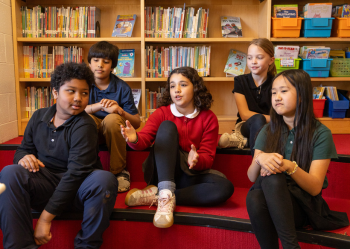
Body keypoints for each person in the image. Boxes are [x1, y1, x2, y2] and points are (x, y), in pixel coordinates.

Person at [0, 63, 118, 249]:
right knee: (10, 172)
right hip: (45, 185)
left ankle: (86, 246)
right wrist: (23, 157)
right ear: (55, 92)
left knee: (104, 179)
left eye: (84, 93)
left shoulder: (85, 125)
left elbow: (76, 174)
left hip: (78, 191)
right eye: (71, 91)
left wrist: (45, 219)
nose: (78, 98)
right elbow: (23, 149)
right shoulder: (38, 116)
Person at [246, 69, 349, 249]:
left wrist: (288, 166)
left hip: (302, 206)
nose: (277, 97)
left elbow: (315, 187)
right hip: (269, 201)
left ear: (301, 96)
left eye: (283, 91)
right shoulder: (267, 130)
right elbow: (252, 177)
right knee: (255, 196)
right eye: (273, 92)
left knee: (273, 176)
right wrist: (259, 159)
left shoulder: (320, 133)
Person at [121, 67, 234, 228]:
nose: (177, 90)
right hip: (162, 172)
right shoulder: (162, 113)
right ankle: (165, 192)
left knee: (225, 187)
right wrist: (134, 138)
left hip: (188, 174)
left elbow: (208, 158)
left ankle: (159, 196)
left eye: (183, 84)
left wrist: (197, 159)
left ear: (195, 88)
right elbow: (144, 140)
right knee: (167, 127)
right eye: (172, 86)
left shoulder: (209, 118)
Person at [86, 41, 141, 192]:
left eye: (106, 61)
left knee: (112, 119)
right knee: (84, 119)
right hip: (91, 131)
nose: (100, 65)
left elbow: (136, 123)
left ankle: (119, 171)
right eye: (96, 60)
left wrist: (119, 111)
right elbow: (72, 111)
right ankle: (86, 168)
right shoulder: (84, 84)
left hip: (115, 132)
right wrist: (99, 106)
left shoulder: (122, 87)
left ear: (113, 66)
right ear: (89, 63)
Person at [218, 38, 276, 155]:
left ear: (271, 60)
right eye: (249, 58)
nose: (253, 61)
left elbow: (280, 112)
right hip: (246, 126)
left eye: (259, 57)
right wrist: (277, 119)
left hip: (270, 127)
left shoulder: (277, 82)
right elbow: (244, 115)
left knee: (266, 125)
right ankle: (257, 160)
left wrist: (277, 120)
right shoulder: (240, 80)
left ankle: (243, 142)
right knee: (258, 119)